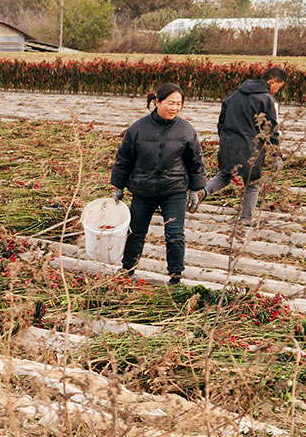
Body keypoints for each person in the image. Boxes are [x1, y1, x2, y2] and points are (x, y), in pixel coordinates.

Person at [110, 83, 207, 286]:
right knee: (136, 233)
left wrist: (195, 191)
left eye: (178, 104)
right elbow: (124, 159)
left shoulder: (186, 130)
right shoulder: (138, 128)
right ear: (157, 102)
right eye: (170, 103)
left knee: (174, 234)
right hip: (143, 189)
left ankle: (176, 276)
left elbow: (196, 162)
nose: (174, 108)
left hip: (174, 190)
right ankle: (128, 269)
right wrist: (118, 186)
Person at [202, 67, 287, 225]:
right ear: (273, 81)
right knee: (252, 184)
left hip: (228, 144)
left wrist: (226, 139)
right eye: (279, 86)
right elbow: (272, 130)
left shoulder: (234, 95)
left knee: (224, 175)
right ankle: (246, 219)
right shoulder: (267, 100)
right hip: (250, 148)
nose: (277, 90)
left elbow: (221, 121)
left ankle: (203, 191)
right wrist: (276, 154)